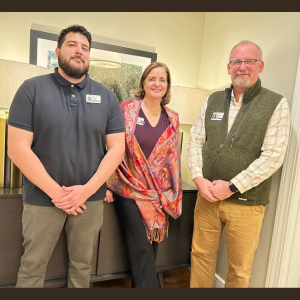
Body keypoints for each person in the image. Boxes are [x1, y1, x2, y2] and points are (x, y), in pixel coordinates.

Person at [7, 24, 125, 288]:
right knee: (32, 268)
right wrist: (58, 194)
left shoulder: (108, 98)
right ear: (58, 51)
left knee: (83, 269)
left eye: (85, 48)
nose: (79, 51)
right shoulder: (31, 89)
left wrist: (85, 191)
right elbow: (17, 148)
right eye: (72, 45)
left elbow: (117, 149)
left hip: (90, 202)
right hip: (41, 199)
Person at [187, 40, 290, 288]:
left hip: (246, 203)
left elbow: (273, 156)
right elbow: (195, 141)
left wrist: (232, 186)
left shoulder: (276, 104)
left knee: (240, 271)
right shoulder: (212, 101)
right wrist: (199, 179)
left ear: (260, 65)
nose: (242, 67)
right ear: (228, 67)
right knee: (200, 257)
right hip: (207, 197)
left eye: (249, 61)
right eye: (236, 62)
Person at [105, 62, 182, 288]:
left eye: (162, 80)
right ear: (143, 82)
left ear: (167, 86)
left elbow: (172, 159)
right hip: (128, 187)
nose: (157, 83)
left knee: (150, 249)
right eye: (152, 78)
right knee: (141, 248)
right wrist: (106, 184)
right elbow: (110, 147)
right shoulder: (126, 110)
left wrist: (170, 192)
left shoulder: (173, 118)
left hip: (159, 194)